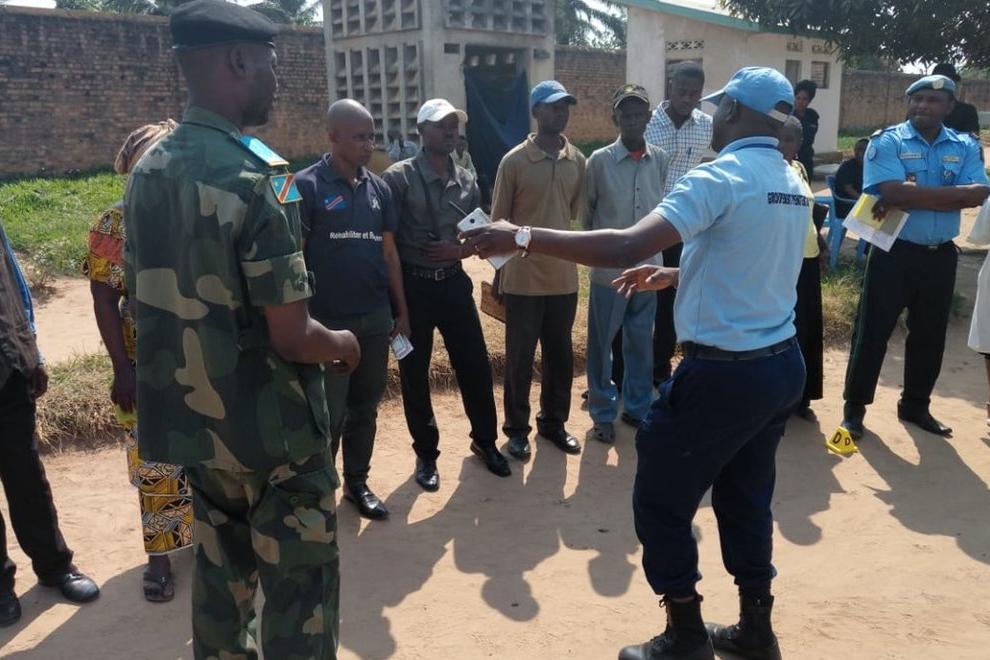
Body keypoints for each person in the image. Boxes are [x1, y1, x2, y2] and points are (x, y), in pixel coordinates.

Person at [464, 66, 807, 660]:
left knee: (660, 497)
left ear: (733, 112)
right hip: (779, 365)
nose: (713, 116)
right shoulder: (790, 179)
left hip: (723, 373)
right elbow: (755, 259)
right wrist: (676, 274)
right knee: (746, 495)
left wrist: (521, 236)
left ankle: (685, 633)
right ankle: (756, 626)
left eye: (720, 107)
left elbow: (624, 244)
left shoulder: (719, 176)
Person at [124, 1, 361, 656]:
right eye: (270, 65)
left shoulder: (148, 170)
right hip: (275, 437)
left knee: (221, 585)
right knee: (301, 597)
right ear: (237, 60)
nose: (276, 80)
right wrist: (343, 346)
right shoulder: (261, 177)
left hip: (199, 427)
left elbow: (140, 300)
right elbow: (293, 334)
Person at [839, 74, 990, 440]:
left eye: (933, 100)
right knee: (872, 332)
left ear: (949, 106)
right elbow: (891, 192)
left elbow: (978, 193)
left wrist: (914, 194)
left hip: (940, 256)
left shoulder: (965, 145)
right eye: (917, 99)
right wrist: (952, 195)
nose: (923, 105)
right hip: (894, 252)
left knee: (930, 335)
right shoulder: (888, 141)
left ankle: (915, 405)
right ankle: (854, 410)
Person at [83, 120, 193, 602]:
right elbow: (104, 300)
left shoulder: (196, 212)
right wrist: (121, 370)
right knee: (155, 457)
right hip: (145, 361)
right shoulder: (114, 223)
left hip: (201, 356)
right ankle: (161, 556)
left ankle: (210, 540)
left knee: (207, 452)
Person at [381, 98, 511, 491]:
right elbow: (387, 245)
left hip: (453, 284)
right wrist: (398, 307)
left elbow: (478, 237)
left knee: (475, 366)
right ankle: (426, 454)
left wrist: (459, 252)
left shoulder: (468, 180)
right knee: (414, 373)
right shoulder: (398, 179)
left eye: (454, 124)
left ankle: (485, 442)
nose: (450, 131)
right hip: (414, 287)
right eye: (441, 125)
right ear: (422, 131)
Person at [296, 99, 410, 521]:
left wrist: (401, 311)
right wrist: (302, 319)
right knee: (328, 414)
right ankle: (319, 491)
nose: (368, 144)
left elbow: (390, 254)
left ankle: (357, 484)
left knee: (365, 407)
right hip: (327, 324)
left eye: (371, 136)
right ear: (333, 136)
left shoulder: (379, 189)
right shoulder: (307, 186)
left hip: (374, 319)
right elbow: (296, 258)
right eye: (359, 137)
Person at [0, 218, 100, 627]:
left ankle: (55, 566)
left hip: (8, 364)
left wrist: (32, 349)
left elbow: (13, 281)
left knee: (27, 475)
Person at [491, 80, 586, 460]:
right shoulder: (514, 161)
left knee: (560, 357)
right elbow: (499, 224)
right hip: (523, 279)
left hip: (563, 277)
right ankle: (517, 430)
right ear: (536, 112)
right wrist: (499, 275)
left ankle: (553, 423)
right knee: (519, 358)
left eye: (565, 107)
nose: (561, 113)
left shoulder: (577, 160)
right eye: (553, 106)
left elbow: (571, 214)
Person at [584, 84, 668, 443]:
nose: (633, 120)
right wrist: (601, 254)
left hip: (648, 271)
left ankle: (637, 407)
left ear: (648, 117)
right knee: (602, 345)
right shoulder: (598, 161)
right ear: (614, 118)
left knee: (640, 343)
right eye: (626, 114)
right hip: (609, 273)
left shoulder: (660, 159)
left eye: (639, 114)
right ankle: (602, 413)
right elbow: (587, 216)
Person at [644, 61, 713, 387]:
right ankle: (620, 372)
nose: (687, 99)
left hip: (686, 226)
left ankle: (659, 370)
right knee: (635, 297)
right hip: (649, 223)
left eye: (694, 94)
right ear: (670, 86)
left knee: (671, 300)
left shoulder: (706, 126)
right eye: (682, 91)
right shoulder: (647, 122)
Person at [779, 116, 828, 422]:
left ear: (799, 144)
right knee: (779, 329)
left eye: (788, 140)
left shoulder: (799, 169)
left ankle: (802, 397)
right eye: (777, 138)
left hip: (806, 260)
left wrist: (821, 245)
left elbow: (808, 214)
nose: (781, 145)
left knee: (806, 329)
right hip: (778, 260)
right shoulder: (765, 173)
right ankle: (777, 399)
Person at [932, 63, 981, 134]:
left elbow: (971, 139)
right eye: (940, 81)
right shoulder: (922, 109)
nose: (945, 84)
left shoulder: (967, 111)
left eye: (950, 81)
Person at [832, 138, 867, 218]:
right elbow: (849, 189)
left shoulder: (871, 166)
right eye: (857, 149)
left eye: (863, 150)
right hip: (847, 204)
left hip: (859, 202)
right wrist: (865, 202)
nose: (859, 152)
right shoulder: (847, 166)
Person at [793, 79, 819, 178]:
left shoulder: (812, 116)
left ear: (810, 100)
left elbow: (810, 137)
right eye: (798, 98)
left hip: (806, 160)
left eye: (804, 99)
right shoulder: (788, 115)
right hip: (790, 159)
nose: (800, 102)